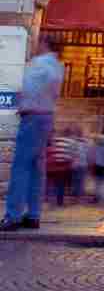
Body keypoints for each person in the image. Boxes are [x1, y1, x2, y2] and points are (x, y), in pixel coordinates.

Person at [1, 35, 64, 230]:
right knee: (37, 169)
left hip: (32, 117)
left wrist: (22, 105)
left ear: (44, 44)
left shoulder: (38, 64)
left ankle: (12, 216)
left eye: (39, 43)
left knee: (21, 166)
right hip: (47, 117)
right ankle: (34, 214)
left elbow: (28, 89)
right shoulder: (57, 66)